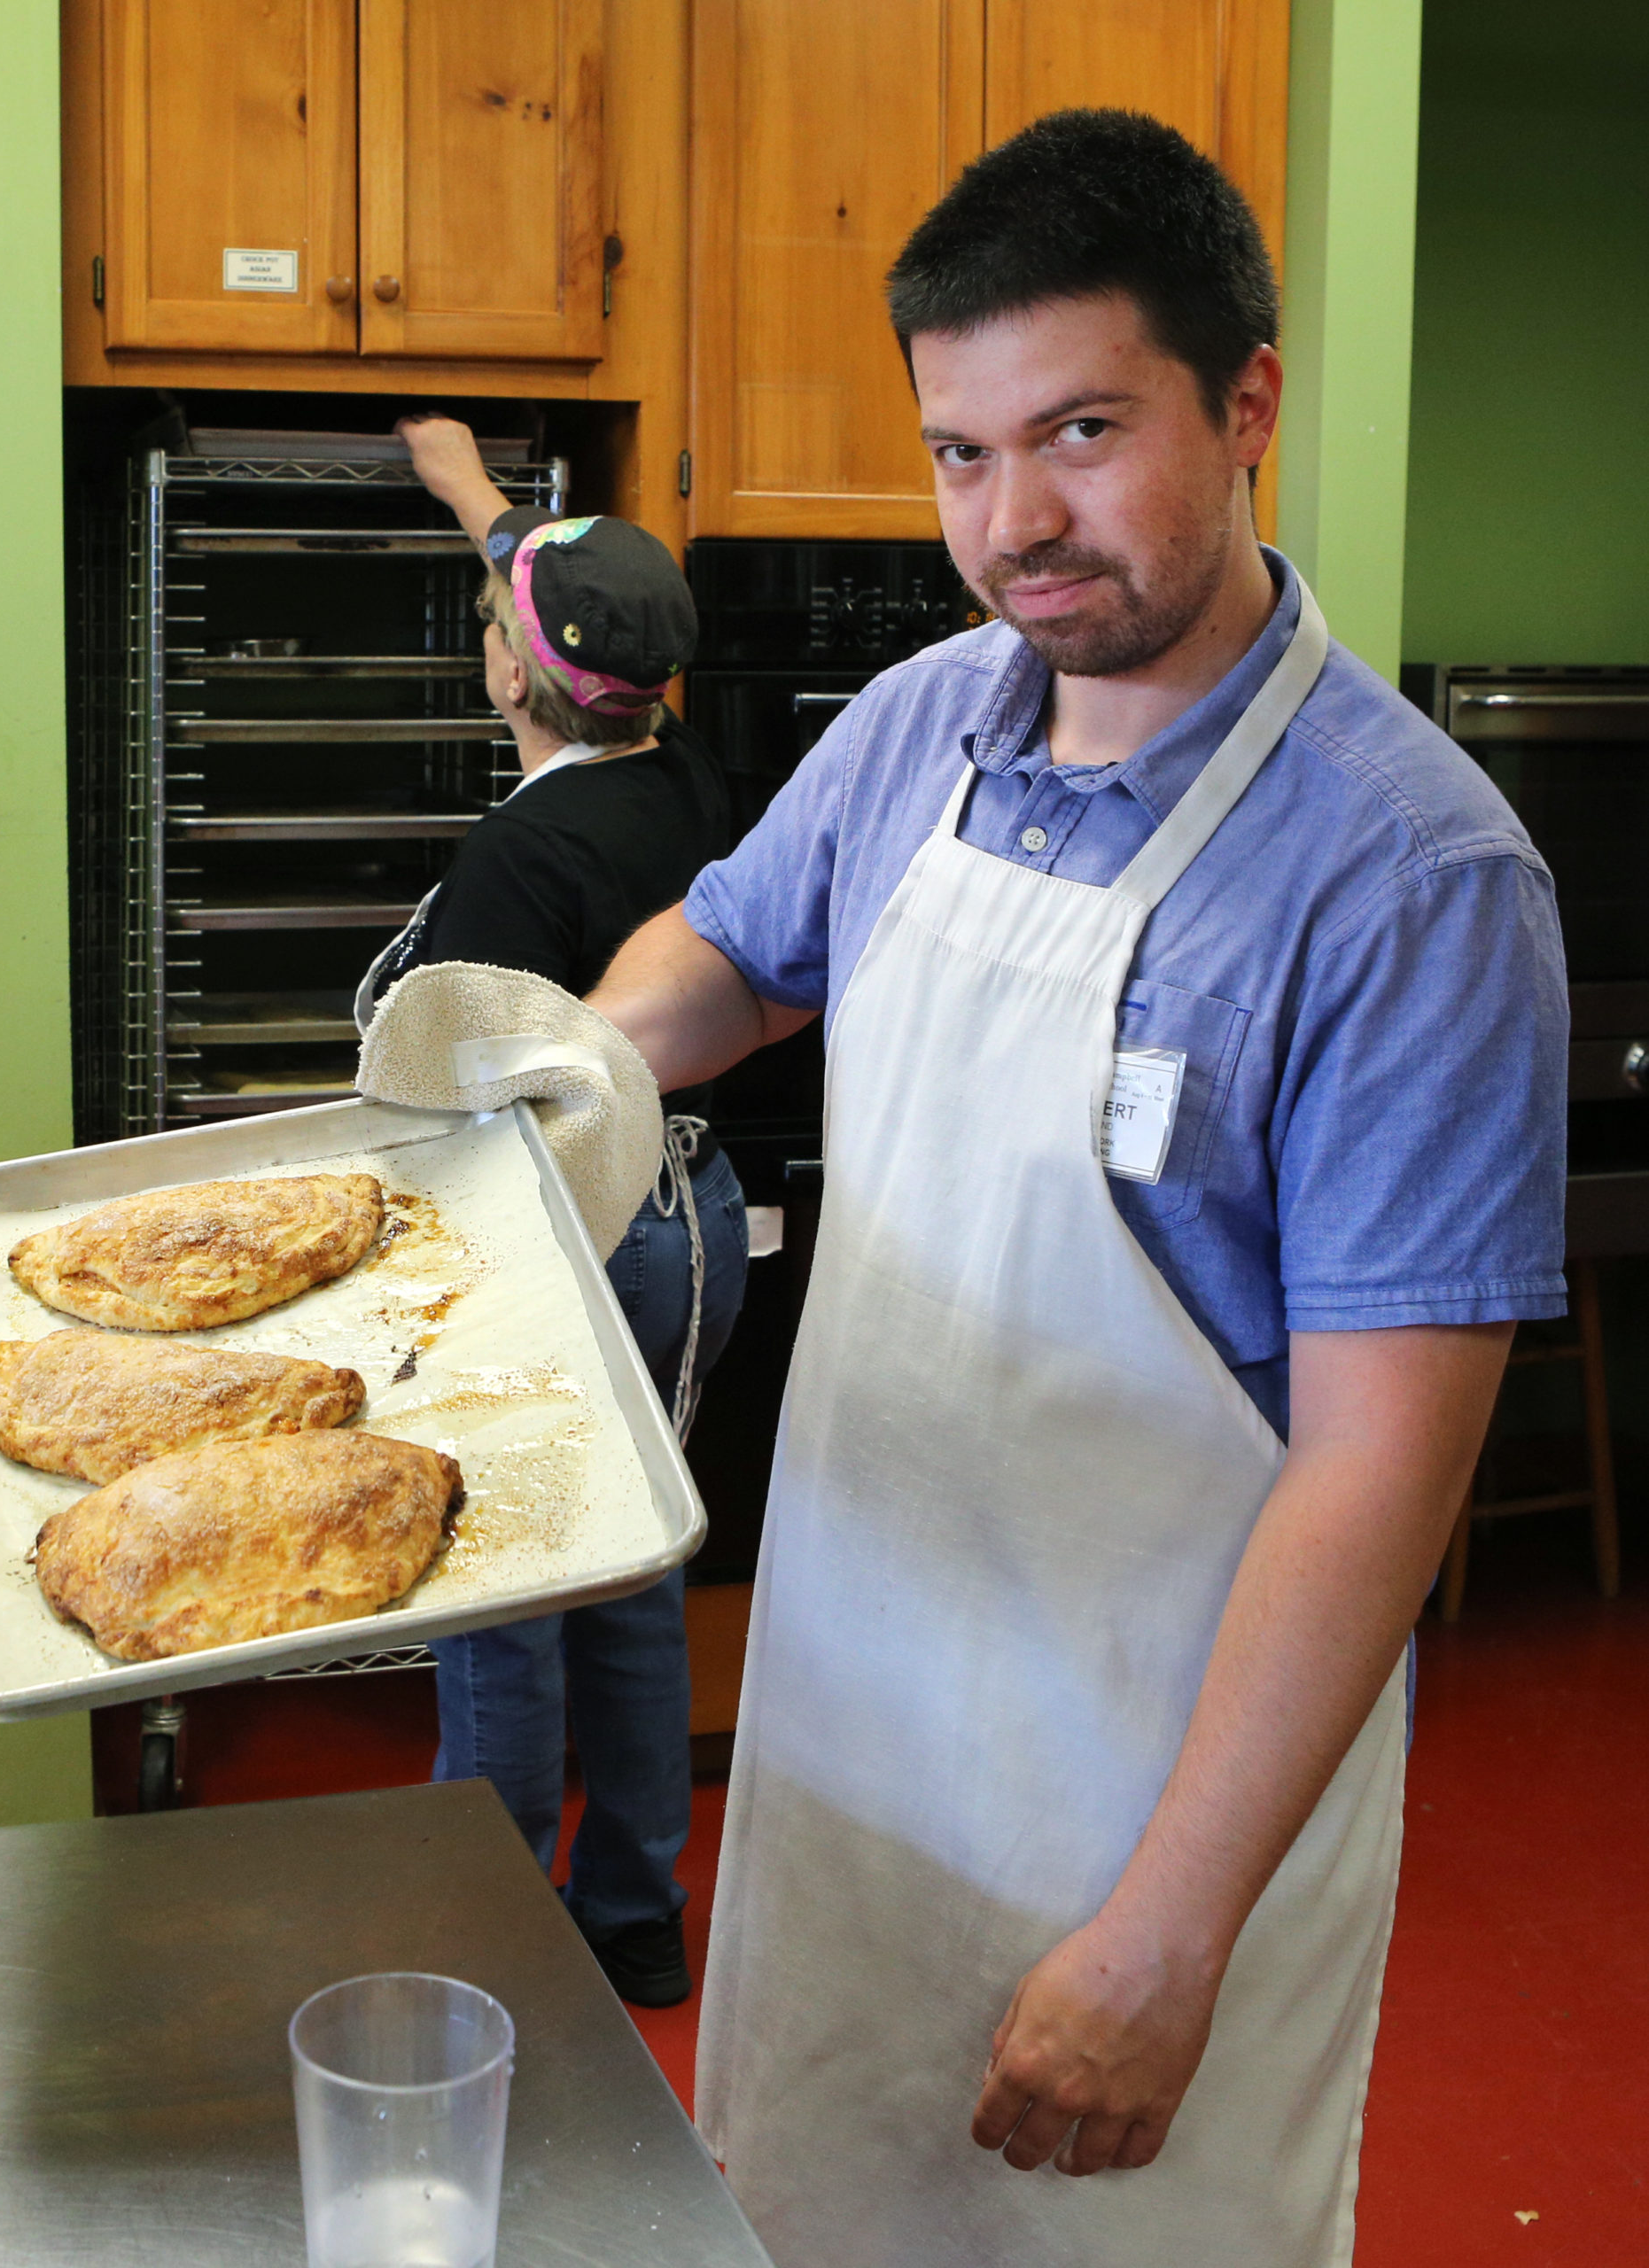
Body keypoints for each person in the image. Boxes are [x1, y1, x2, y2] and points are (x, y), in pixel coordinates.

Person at [585, 111, 1567, 2265]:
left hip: (1148, 1811)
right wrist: (564, 1072)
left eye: (1081, 430)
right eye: (955, 453)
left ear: (1245, 406)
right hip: (853, 1748)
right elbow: (736, 953)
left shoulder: (1407, 882)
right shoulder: (928, 718)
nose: (1012, 523)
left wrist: (1167, 1928)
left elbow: (1374, 1483)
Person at [356, 416, 750, 2010]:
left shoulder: (519, 854)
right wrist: (467, 488)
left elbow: (449, 1098)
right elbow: (547, 579)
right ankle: (634, 1911)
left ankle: (497, 1924)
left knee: (502, 1579)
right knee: (631, 1563)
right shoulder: (691, 778)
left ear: (513, 679)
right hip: (698, 1219)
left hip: (574, 1229)